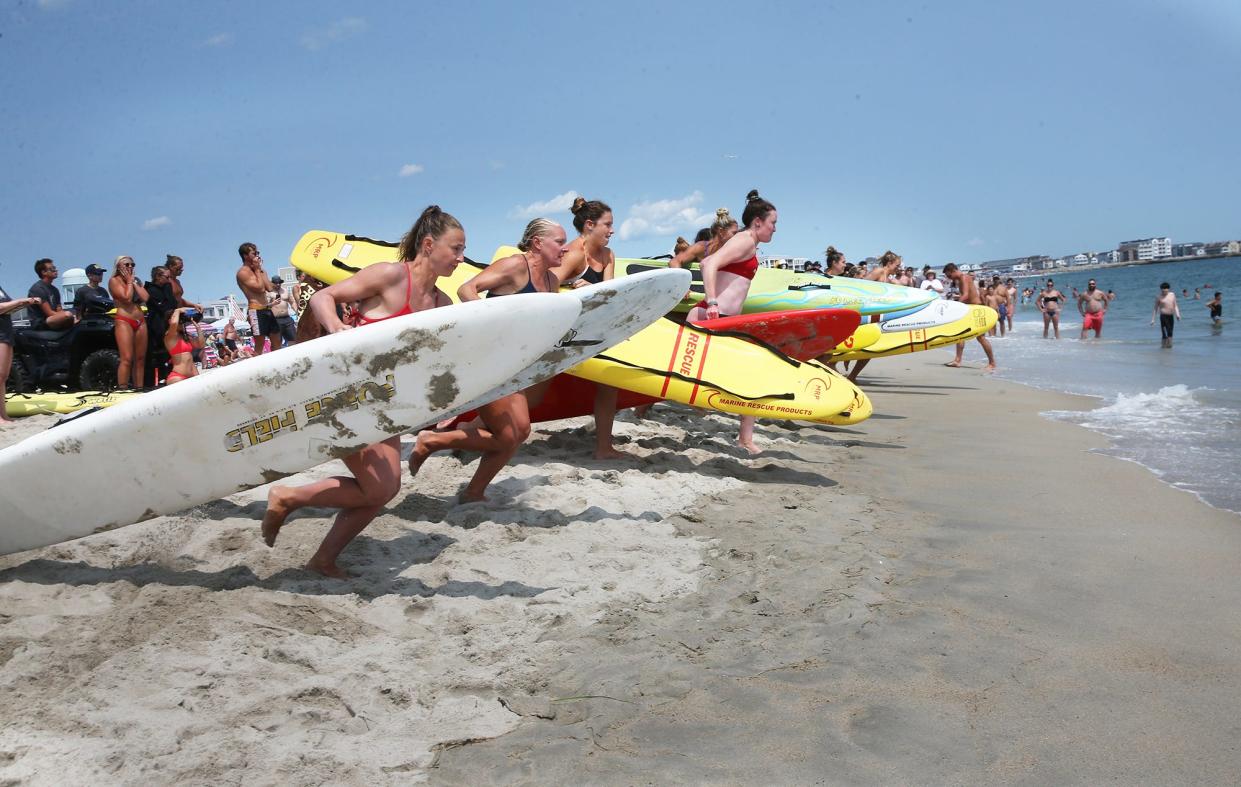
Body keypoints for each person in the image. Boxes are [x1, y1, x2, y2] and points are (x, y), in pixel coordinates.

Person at [261, 206, 464, 578]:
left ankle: (315, 547)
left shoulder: (442, 304)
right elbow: (324, 298)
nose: (460, 258)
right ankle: (288, 501)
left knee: (383, 490)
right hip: (341, 394)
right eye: (456, 248)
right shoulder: (389, 277)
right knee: (380, 488)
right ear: (430, 245)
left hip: (382, 403)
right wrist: (337, 327)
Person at [407, 217, 565, 498]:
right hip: (484, 359)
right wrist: (494, 325)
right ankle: (434, 442)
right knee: (510, 435)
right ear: (538, 243)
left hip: (513, 366)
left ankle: (471, 489)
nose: (565, 249)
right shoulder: (516, 266)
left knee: (520, 432)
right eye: (560, 242)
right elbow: (466, 289)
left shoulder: (552, 281)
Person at [687, 189, 778, 454]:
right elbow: (708, 264)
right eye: (773, 223)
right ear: (758, 222)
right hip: (714, 317)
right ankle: (745, 439)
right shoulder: (745, 240)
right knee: (751, 376)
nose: (775, 229)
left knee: (740, 375)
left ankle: (642, 408)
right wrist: (713, 302)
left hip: (723, 320)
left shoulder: (748, 242)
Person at [553, 197, 629, 459]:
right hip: (565, 335)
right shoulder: (574, 253)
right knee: (532, 397)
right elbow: (549, 289)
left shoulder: (608, 255)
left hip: (594, 331)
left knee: (609, 386)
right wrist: (572, 291)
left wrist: (595, 291)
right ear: (589, 225)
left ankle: (604, 448)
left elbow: (609, 294)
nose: (612, 230)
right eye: (607, 224)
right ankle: (468, 428)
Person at [846, 250, 903, 383]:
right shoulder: (878, 271)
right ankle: (844, 365)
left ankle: (852, 376)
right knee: (863, 344)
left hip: (876, 318)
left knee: (871, 348)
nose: (898, 268)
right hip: (865, 315)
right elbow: (861, 287)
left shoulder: (889, 279)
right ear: (889, 263)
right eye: (897, 265)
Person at [942, 263, 996, 371]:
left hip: (976, 309)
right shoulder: (961, 279)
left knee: (980, 337)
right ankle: (957, 360)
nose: (949, 278)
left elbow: (966, 295)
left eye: (949, 275)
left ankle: (992, 363)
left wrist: (954, 306)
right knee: (960, 334)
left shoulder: (964, 277)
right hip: (969, 309)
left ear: (953, 271)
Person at [108, 256, 149, 390]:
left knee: (140, 358)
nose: (130, 267)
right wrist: (130, 282)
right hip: (124, 319)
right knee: (126, 358)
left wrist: (134, 283)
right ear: (118, 267)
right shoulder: (114, 281)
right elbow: (126, 298)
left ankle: (139, 387)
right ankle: (123, 388)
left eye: (132, 264)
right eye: (126, 264)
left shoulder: (135, 281)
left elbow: (145, 297)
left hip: (140, 320)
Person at [0, 293, 42, 421]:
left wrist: (26, 303)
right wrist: (21, 301)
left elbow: (7, 309)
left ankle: (3, 415)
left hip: (6, 332)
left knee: (3, 377)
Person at [235, 242, 281, 356]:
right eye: (254, 253)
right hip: (255, 311)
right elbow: (260, 289)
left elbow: (269, 288)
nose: (257, 255)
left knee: (277, 342)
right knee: (259, 345)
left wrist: (260, 270)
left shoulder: (260, 270)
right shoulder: (243, 272)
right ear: (245, 256)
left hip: (267, 309)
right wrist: (256, 270)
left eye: (258, 252)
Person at [670, 208, 739, 269]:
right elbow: (674, 262)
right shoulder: (701, 247)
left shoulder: (734, 250)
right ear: (721, 231)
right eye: (734, 233)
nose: (737, 236)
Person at [144, 265, 178, 387]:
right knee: (159, 356)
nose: (169, 280)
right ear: (158, 277)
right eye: (167, 277)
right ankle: (157, 382)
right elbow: (164, 307)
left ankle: (170, 377)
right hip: (157, 328)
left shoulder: (167, 287)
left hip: (169, 326)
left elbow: (173, 303)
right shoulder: (150, 289)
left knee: (171, 354)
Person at [27, 259, 75, 330]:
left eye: (55, 268)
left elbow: (59, 309)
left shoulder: (55, 290)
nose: (56, 270)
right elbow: (49, 313)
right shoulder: (38, 289)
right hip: (41, 322)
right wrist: (70, 317)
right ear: (44, 272)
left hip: (53, 319)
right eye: (52, 269)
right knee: (67, 315)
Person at [162, 308, 205, 385]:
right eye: (180, 321)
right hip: (178, 377)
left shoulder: (185, 336)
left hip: (192, 375)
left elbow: (201, 344)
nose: (182, 323)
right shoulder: (169, 336)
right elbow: (174, 323)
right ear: (169, 321)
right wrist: (177, 311)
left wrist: (198, 328)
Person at [268, 277, 298, 347]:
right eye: (276, 283)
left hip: (287, 318)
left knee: (293, 339)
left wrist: (296, 311)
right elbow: (265, 306)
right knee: (277, 342)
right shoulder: (269, 292)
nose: (278, 284)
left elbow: (292, 302)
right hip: (275, 320)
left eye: (279, 283)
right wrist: (273, 303)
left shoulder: (285, 291)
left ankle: (294, 355)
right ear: (272, 283)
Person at [1152, 282, 1180, 348]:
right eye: (1163, 289)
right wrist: (1153, 319)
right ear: (1161, 289)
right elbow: (1155, 309)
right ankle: (1163, 347)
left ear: (1169, 289)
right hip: (1163, 317)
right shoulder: (1159, 297)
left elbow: (1175, 305)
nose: (1164, 290)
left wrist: (1178, 315)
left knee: (1170, 332)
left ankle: (1169, 347)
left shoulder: (1172, 294)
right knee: (1164, 333)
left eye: (1166, 289)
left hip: (1171, 316)